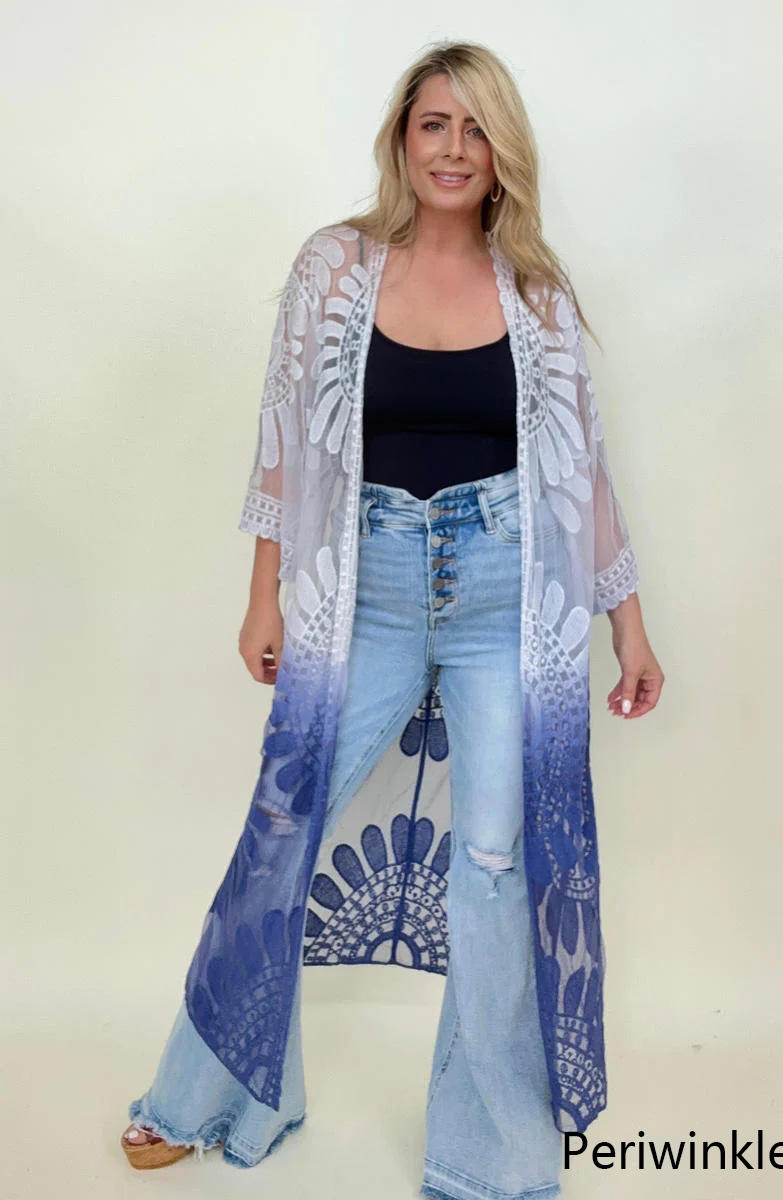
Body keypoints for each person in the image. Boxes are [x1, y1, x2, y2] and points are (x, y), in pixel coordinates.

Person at [121, 40, 664, 1200]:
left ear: (501, 151)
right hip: (356, 591)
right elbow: (283, 433)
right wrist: (263, 592)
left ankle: (489, 1159)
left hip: (502, 599)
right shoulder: (334, 267)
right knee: (282, 829)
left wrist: (627, 623)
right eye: (433, 125)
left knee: (493, 867)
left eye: (475, 129)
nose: (453, 149)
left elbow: (582, 473)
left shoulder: (537, 295)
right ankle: (205, 1095)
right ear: (401, 139)